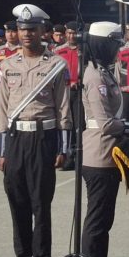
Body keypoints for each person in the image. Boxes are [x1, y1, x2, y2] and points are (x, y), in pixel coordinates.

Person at [0, 3, 72, 257]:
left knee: (41, 203)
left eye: (32, 29)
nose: (26, 34)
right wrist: (2, 151)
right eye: (22, 29)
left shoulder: (56, 65)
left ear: (43, 31)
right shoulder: (7, 65)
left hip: (43, 138)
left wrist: (63, 147)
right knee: (17, 202)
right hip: (16, 139)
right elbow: (2, 109)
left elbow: (64, 108)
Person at [79, 21, 128, 257]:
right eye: (115, 45)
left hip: (108, 155)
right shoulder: (95, 76)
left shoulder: (104, 72)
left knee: (104, 218)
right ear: (103, 45)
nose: (118, 50)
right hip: (99, 154)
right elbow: (106, 124)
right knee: (97, 218)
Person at [54, 21, 82, 171]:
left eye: (74, 33)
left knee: (79, 124)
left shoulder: (83, 50)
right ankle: (66, 156)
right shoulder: (58, 51)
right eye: (69, 33)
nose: (72, 36)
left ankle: (79, 156)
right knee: (64, 123)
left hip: (79, 91)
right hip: (63, 91)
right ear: (66, 34)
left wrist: (79, 80)